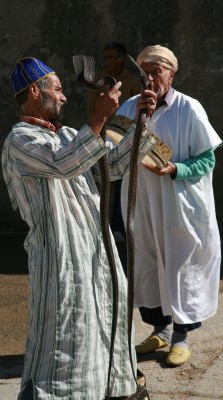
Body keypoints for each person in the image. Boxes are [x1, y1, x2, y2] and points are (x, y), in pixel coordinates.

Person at [2, 57, 138, 399]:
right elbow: (64, 164)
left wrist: (140, 122)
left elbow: (114, 167)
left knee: (100, 335)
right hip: (61, 259)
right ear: (35, 91)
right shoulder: (20, 141)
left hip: (95, 253)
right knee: (60, 346)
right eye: (58, 89)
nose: (64, 98)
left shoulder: (66, 134)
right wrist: (97, 118)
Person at [118, 45, 222, 367]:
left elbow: (207, 158)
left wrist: (176, 169)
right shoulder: (130, 107)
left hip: (180, 203)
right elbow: (116, 150)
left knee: (181, 265)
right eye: (144, 71)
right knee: (147, 263)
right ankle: (160, 331)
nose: (149, 78)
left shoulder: (189, 109)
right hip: (143, 202)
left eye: (156, 71)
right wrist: (139, 117)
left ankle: (181, 337)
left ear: (171, 74)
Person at [87, 42, 141, 271]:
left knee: (121, 183)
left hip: (121, 140)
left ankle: (119, 225)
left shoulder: (133, 83)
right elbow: (92, 110)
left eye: (111, 57)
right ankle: (105, 225)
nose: (107, 61)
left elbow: (135, 112)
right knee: (100, 184)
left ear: (121, 59)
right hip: (100, 139)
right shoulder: (99, 82)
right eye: (105, 56)